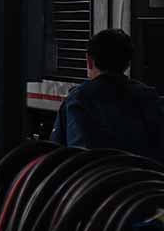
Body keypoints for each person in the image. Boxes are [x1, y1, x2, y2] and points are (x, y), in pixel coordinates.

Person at [51, 28, 164, 158]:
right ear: (128, 63)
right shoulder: (148, 97)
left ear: (89, 61)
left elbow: (56, 155)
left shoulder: (77, 100)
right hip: (143, 175)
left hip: (91, 175)